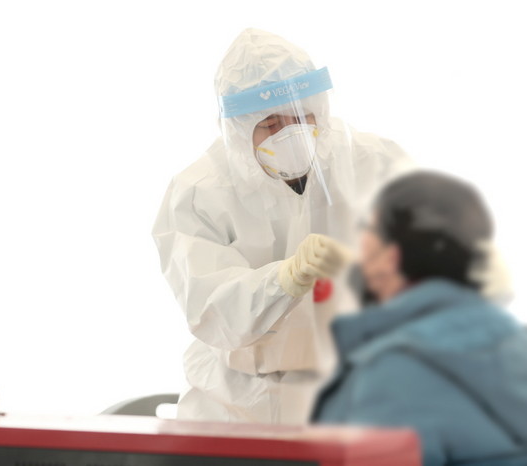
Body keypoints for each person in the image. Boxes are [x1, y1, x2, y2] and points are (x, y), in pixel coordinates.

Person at [152, 28, 411, 424]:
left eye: (301, 118)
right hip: (236, 407)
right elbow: (211, 311)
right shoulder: (199, 193)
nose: (290, 134)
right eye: (271, 124)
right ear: (239, 128)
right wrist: (286, 279)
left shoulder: (373, 162)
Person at [312, 170, 527, 465]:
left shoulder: (392, 373)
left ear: (392, 257)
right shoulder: (517, 344)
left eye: (368, 227)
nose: (360, 241)